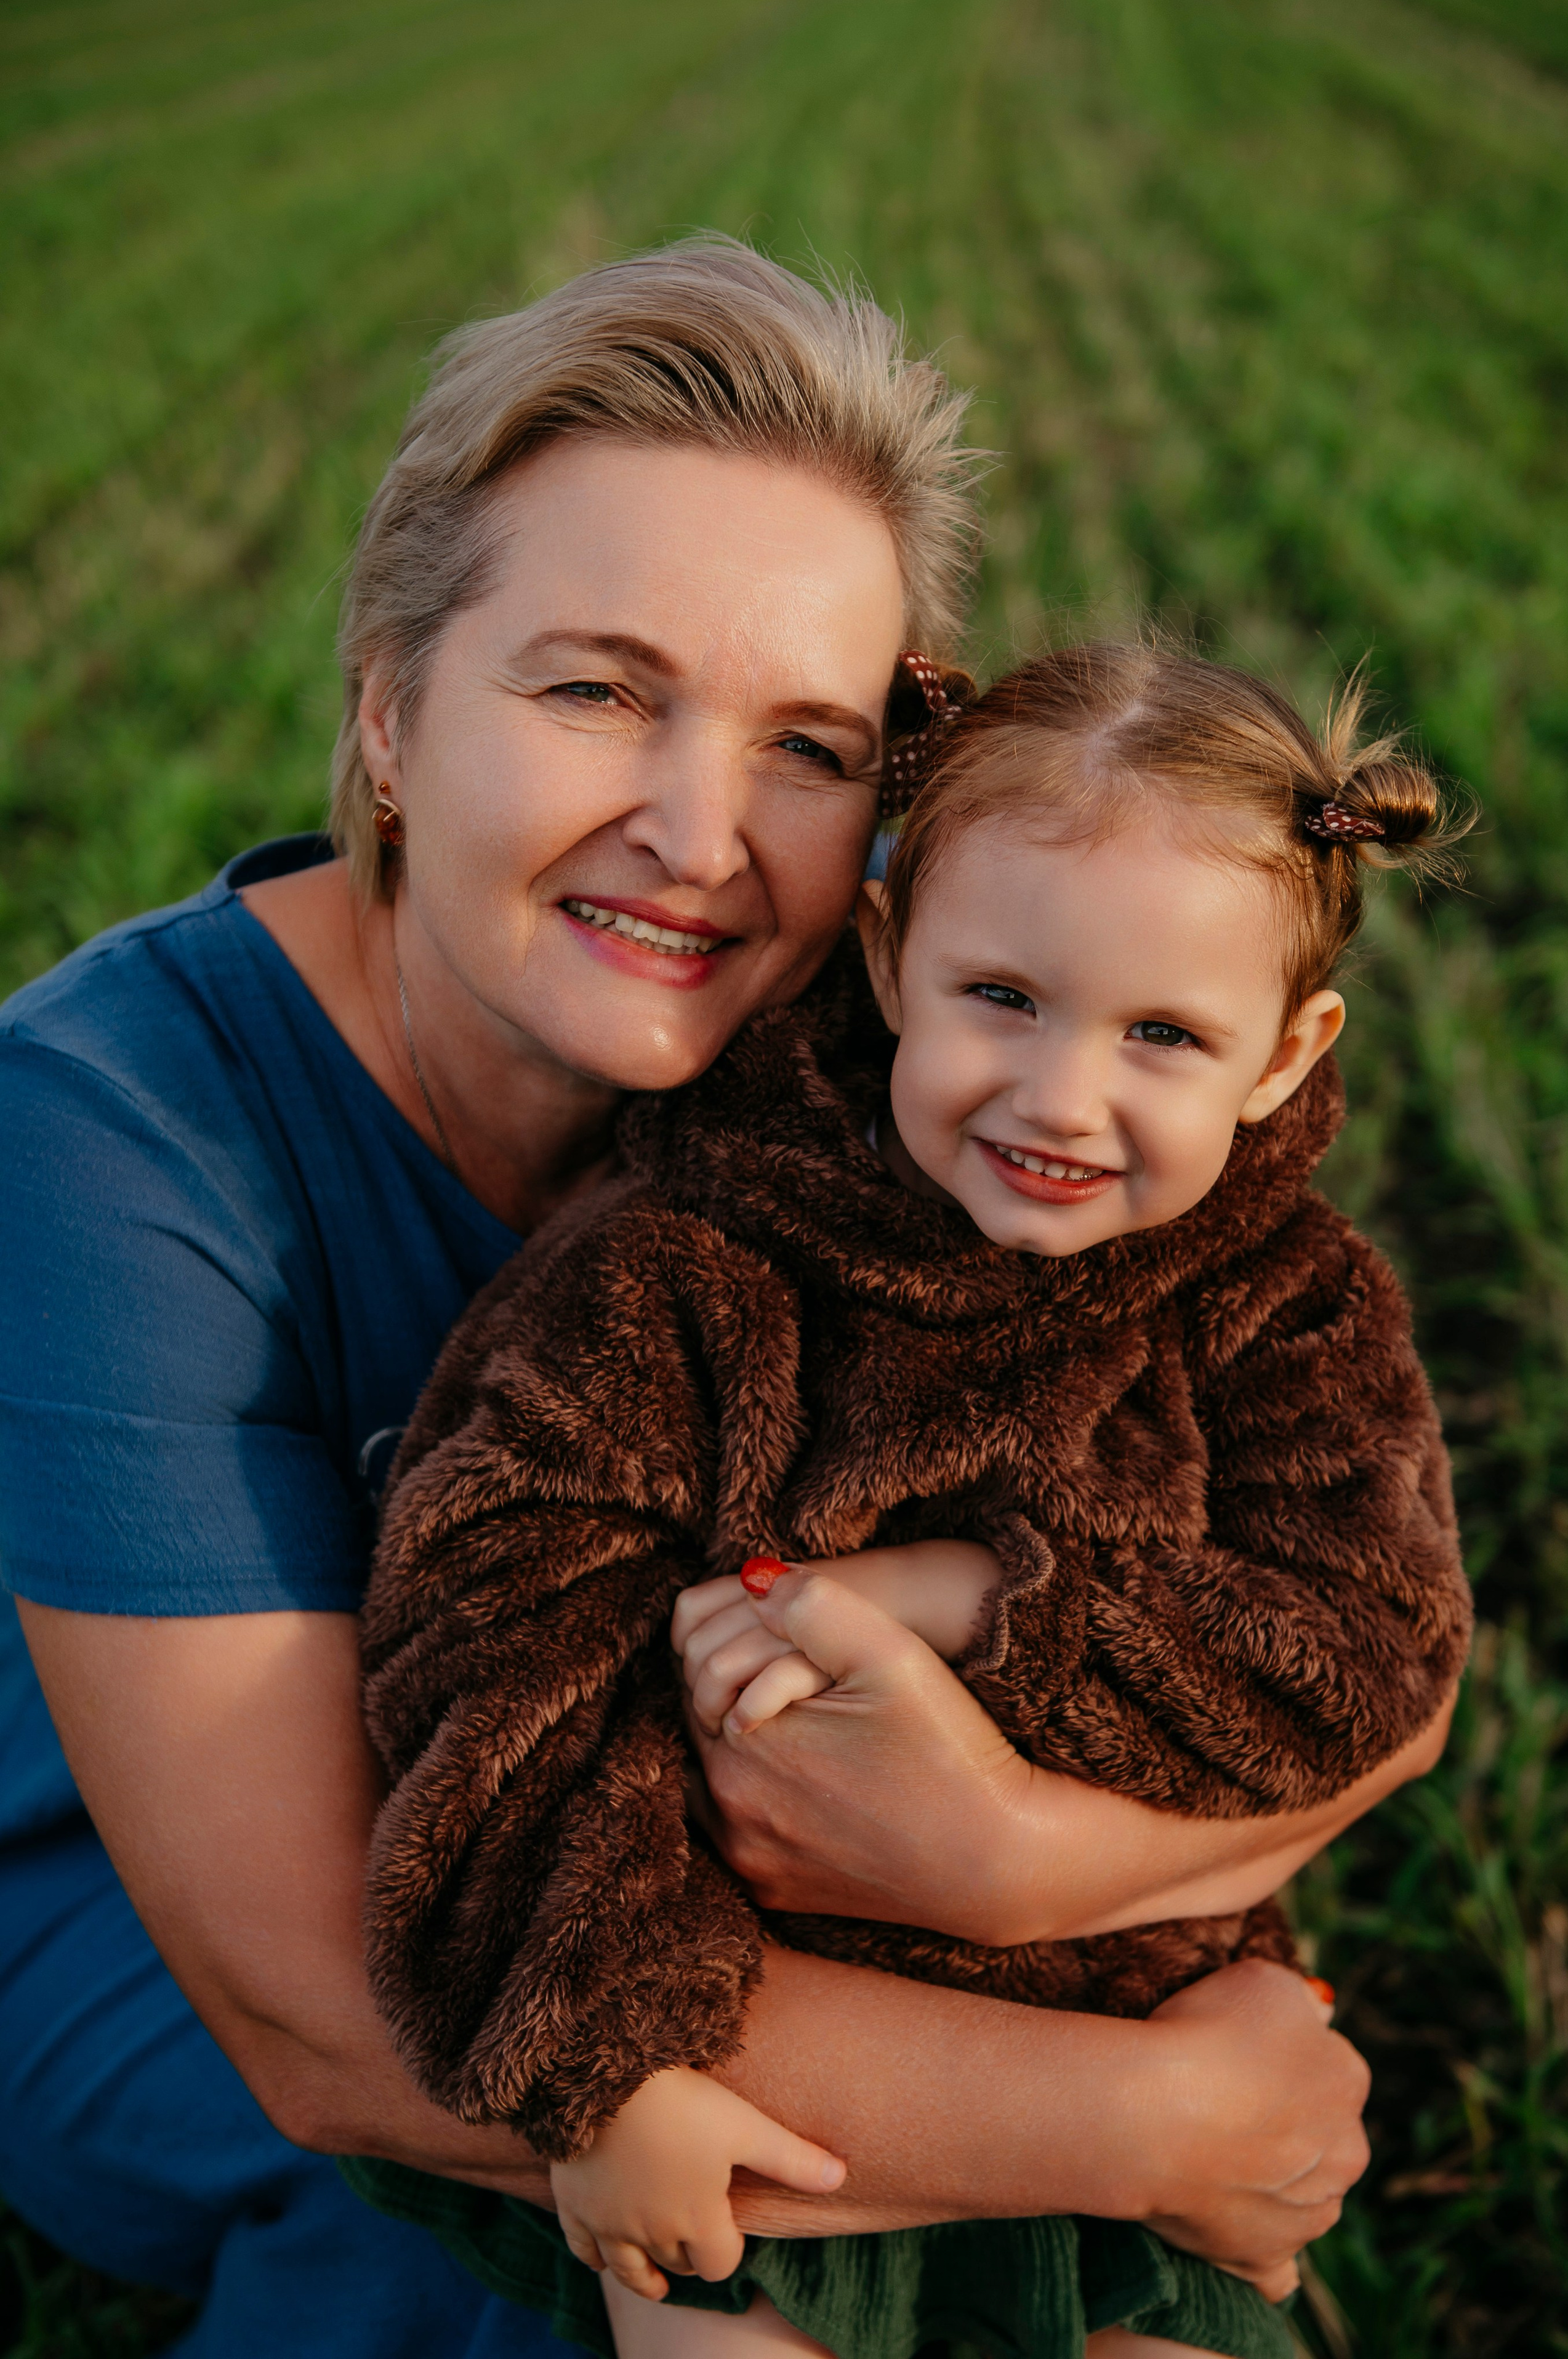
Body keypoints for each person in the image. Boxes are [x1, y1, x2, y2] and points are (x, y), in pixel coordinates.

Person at [1, 240, 1437, 2359]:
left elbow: (1376, 1645)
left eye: (805, 744)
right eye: (595, 690)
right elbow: (319, 2003)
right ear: (391, 715)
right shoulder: (114, 1135)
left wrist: (1029, 1874)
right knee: (544, 2287)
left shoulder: (946, 1075)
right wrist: (1146, 2117)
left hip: (735, 1879)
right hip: (198, 1928)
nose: (697, 835)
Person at [344, 643, 1471, 2359]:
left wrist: (975, 1604)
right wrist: (612, 2050)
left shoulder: (1285, 1307)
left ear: (1283, 1051)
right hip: (757, 2052)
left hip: (1137, 2018)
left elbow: (1366, 1653)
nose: (1061, 1095)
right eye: (1001, 998)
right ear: (889, 960)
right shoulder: (685, 1267)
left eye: (1165, 1035)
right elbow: (493, 1638)